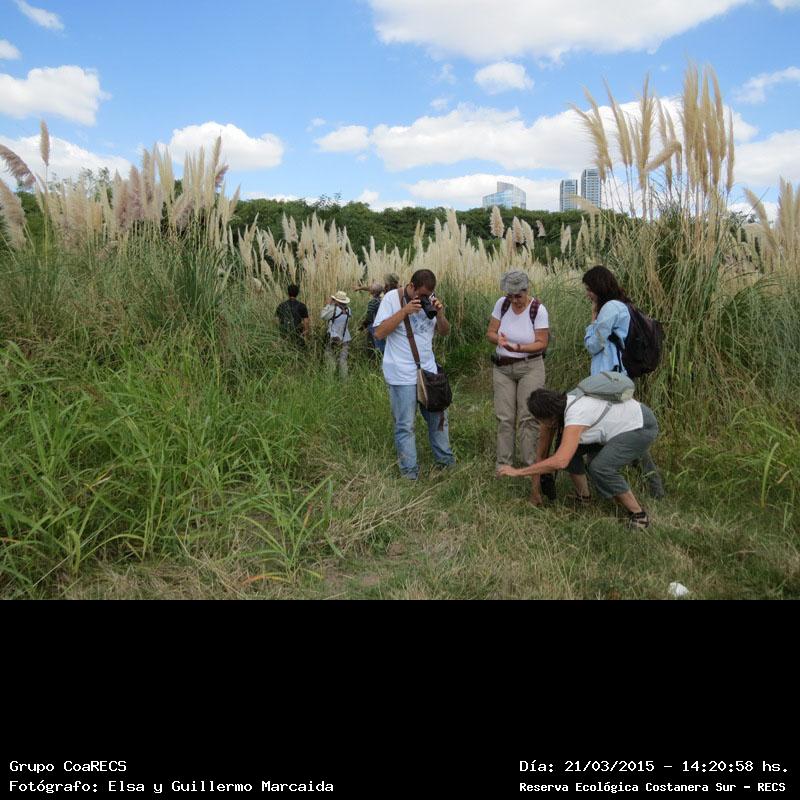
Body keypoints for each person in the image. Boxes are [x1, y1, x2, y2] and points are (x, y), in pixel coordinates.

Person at [498, 386, 658, 529]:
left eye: (540, 420)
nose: (541, 425)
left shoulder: (575, 415)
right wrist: (535, 492)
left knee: (600, 467)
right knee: (570, 451)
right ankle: (584, 498)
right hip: (617, 427)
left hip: (641, 426)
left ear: (548, 417)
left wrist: (518, 472)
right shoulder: (559, 410)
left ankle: (639, 515)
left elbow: (561, 461)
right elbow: (542, 454)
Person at [582, 265, 665, 498]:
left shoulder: (610, 308)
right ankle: (651, 486)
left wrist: (592, 321)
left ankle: (612, 485)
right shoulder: (622, 306)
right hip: (616, 379)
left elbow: (593, 345)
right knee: (620, 429)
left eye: (589, 289)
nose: (587, 294)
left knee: (606, 429)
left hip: (610, 380)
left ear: (598, 287)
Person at [373, 269, 455, 480]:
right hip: (401, 373)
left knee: (438, 420)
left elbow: (445, 332)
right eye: (422, 295)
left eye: (429, 295)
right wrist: (405, 311)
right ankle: (409, 474)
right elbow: (379, 333)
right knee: (405, 426)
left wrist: (440, 314)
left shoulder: (430, 300)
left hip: (429, 372)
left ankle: (446, 464)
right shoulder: (392, 299)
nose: (425, 298)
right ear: (411, 286)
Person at [486, 271, 550, 494]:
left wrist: (519, 347)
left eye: (518, 296)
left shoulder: (538, 310)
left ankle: (530, 466)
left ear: (526, 290)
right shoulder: (501, 305)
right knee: (505, 417)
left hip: (530, 367)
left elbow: (542, 342)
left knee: (527, 416)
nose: (514, 300)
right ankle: (504, 465)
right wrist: (499, 339)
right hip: (503, 368)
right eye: (510, 296)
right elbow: (490, 332)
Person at [321, 290, 352, 378]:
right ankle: (344, 380)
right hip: (345, 338)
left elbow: (322, 316)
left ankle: (330, 379)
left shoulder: (333, 309)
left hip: (333, 338)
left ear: (336, 301)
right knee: (343, 360)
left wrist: (328, 304)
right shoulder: (349, 310)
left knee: (330, 359)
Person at [359, 282, 385, 356]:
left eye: (371, 288)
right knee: (380, 345)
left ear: (372, 292)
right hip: (381, 325)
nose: (369, 288)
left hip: (373, 326)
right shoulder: (381, 300)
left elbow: (369, 317)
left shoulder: (373, 302)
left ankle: (374, 359)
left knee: (373, 345)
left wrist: (363, 325)